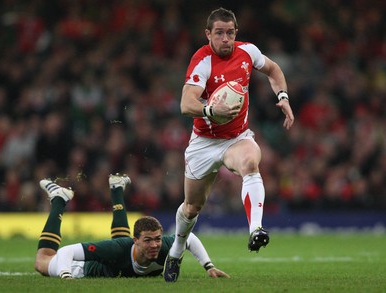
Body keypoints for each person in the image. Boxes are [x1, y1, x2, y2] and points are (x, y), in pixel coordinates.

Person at [163, 7, 294, 282]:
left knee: (250, 163)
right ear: (208, 34)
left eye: (230, 33)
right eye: (219, 33)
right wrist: (211, 111)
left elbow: (273, 69)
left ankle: (256, 229)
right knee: (191, 207)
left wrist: (282, 95)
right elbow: (186, 104)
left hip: (236, 138)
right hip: (204, 142)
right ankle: (176, 250)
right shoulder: (202, 61)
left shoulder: (248, 52)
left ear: (236, 32)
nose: (226, 39)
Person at [34, 173, 229, 279]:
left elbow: (190, 238)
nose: (154, 245)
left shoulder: (165, 246)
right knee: (42, 260)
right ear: (135, 241)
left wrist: (208, 266)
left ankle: (117, 187)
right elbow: (67, 251)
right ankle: (60, 198)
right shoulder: (117, 248)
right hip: (83, 269)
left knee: (120, 246)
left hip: (120, 256)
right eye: (148, 240)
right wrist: (66, 275)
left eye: (157, 239)